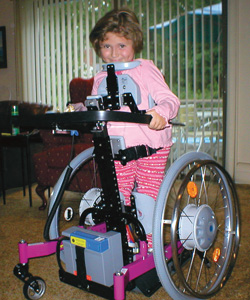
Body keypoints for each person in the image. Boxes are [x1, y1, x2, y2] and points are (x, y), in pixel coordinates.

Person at [89, 7, 180, 247]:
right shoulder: (100, 78)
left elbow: (170, 100)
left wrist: (161, 112)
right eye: (107, 46)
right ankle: (125, 242)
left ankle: (150, 246)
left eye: (121, 46)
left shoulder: (145, 69)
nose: (114, 53)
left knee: (146, 199)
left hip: (151, 145)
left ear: (134, 44)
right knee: (117, 198)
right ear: (98, 46)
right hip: (118, 148)